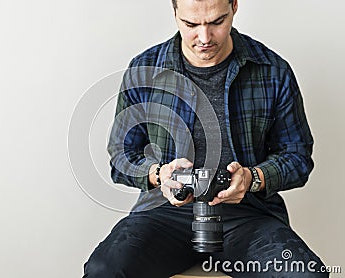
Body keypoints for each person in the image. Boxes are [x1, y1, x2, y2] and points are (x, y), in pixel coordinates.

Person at [84, 0, 328, 277]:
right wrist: (158, 175)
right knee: (104, 271)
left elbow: (297, 157)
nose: (204, 38)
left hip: (247, 214)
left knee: (307, 275)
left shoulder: (272, 70)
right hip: (164, 213)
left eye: (217, 22)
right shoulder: (144, 69)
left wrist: (253, 177)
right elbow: (121, 156)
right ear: (174, 11)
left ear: (234, 6)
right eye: (191, 24)